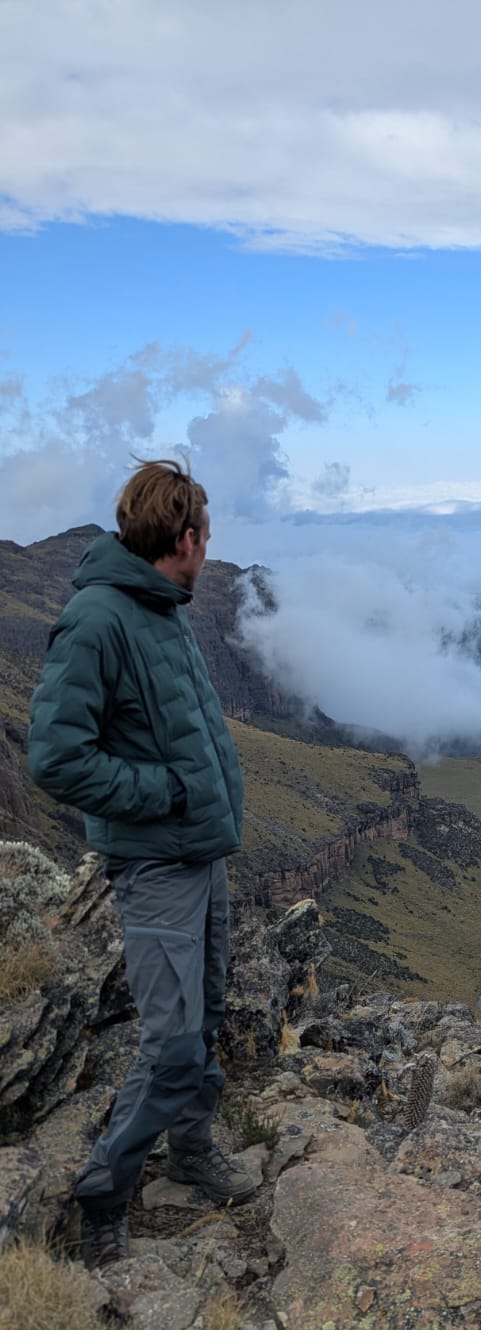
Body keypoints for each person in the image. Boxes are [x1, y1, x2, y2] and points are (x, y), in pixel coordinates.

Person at [28, 459, 256, 1271]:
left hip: (201, 854)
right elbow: (56, 758)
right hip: (156, 866)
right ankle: (103, 1197)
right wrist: (163, 793)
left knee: (209, 1015)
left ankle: (191, 1150)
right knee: (172, 1044)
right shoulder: (98, 619)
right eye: (207, 537)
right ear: (185, 538)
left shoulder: (164, 608)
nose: (209, 551)